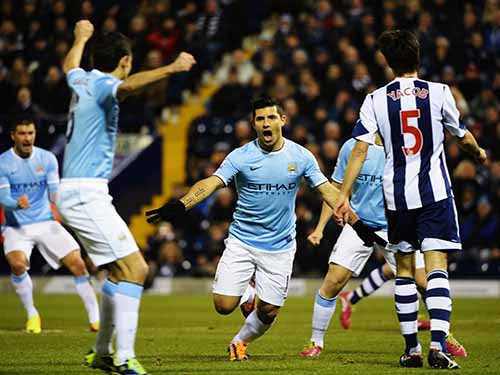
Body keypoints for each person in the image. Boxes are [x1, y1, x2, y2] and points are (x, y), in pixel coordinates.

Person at [145, 97, 385, 362]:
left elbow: (329, 191)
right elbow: (212, 182)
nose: (266, 123)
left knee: (268, 311)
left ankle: (239, 342)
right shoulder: (241, 156)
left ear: (282, 120)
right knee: (223, 306)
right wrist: (183, 204)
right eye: (260, 119)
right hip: (242, 241)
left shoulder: (301, 156)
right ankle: (248, 295)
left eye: (271, 117)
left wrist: (357, 225)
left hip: (280, 246)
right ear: (254, 124)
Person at [333, 30, 487, 369]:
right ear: (418, 56)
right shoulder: (440, 93)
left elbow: (360, 149)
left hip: (397, 197)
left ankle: (411, 350)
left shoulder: (375, 99)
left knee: (403, 271)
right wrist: (478, 152)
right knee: (436, 269)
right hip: (434, 193)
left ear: (388, 63)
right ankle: (439, 345)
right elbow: (461, 138)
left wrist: (343, 194)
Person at [56, 20, 195, 375]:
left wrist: (80, 37)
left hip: (78, 191)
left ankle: (103, 352)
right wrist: (173, 67)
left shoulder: (82, 78)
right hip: (86, 192)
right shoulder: (104, 84)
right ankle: (125, 357)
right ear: (124, 60)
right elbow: (127, 87)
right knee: (137, 268)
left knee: (119, 274)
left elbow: (68, 65)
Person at [299, 137, 466, 358]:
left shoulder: (404, 143)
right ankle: (315, 342)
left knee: (425, 283)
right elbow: (336, 189)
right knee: (332, 281)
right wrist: (320, 228)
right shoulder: (352, 147)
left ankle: (444, 336)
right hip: (358, 223)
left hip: (396, 225)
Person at [0, 117, 99, 334]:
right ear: (13, 136)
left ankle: (95, 318)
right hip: (16, 227)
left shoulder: (47, 159)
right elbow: (3, 197)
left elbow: (54, 191)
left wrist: (63, 203)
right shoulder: (3, 163)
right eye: (23, 134)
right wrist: (15, 203)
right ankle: (32, 315)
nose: (27, 138)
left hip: (46, 222)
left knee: (78, 264)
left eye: (31, 133)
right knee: (17, 265)